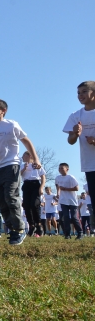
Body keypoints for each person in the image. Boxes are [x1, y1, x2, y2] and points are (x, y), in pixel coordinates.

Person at [0, 98, 41, 245]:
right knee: (1, 201)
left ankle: (20, 228)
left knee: (11, 196)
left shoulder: (12, 125)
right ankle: (13, 229)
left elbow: (26, 141)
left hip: (11, 165)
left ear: (3, 110)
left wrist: (36, 159)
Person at [64, 81, 95, 214]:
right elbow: (70, 141)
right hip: (90, 164)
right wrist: (75, 134)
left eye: (84, 92)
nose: (80, 95)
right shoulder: (75, 116)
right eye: (78, 93)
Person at [20, 151, 46, 237]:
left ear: (29, 155)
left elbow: (43, 177)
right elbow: (18, 175)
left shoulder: (37, 165)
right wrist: (24, 168)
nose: (22, 157)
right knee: (26, 206)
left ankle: (38, 224)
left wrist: (41, 187)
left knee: (34, 204)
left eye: (24, 155)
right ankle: (31, 225)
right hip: (26, 185)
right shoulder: (22, 165)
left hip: (35, 185)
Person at [55, 163, 82, 239]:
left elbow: (77, 188)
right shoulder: (58, 178)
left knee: (73, 217)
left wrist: (66, 189)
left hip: (72, 200)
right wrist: (58, 193)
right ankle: (67, 234)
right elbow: (58, 186)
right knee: (65, 217)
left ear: (67, 169)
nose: (60, 170)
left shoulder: (71, 177)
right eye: (59, 168)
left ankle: (80, 233)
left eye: (62, 168)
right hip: (63, 200)